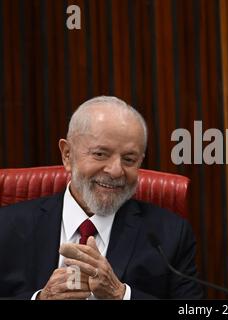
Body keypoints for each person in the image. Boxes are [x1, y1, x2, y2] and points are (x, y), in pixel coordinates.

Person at [0, 96, 203, 299]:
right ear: (67, 155)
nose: (116, 171)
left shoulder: (170, 235)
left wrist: (121, 295)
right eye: (100, 154)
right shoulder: (7, 227)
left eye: (129, 159)